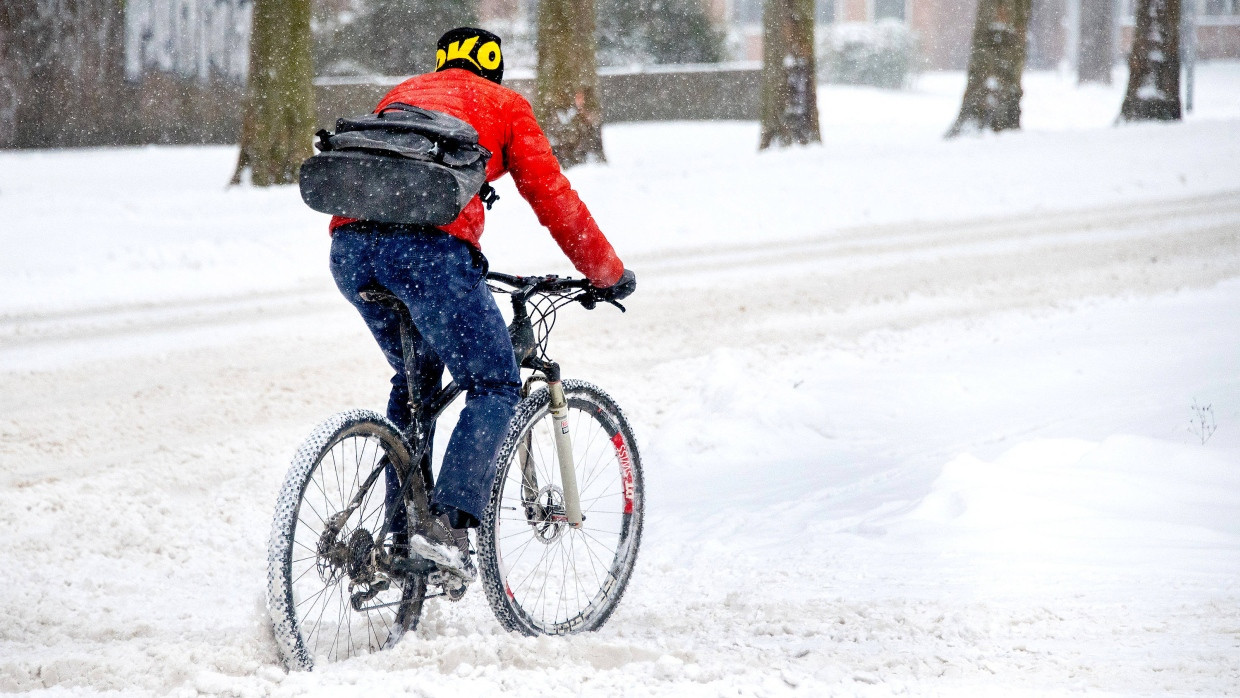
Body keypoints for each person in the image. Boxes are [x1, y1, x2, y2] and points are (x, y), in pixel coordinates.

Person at [327, 27, 636, 584]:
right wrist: (606, 273)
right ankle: (443, 527)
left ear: (441, 61)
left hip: (350, 251)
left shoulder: (403, 93)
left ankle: (401, 539)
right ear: (492, 66)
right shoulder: (505, 105)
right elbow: (553, 198)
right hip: (428, 255)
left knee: (414, 378)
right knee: (493, 382)